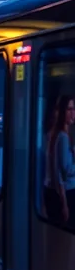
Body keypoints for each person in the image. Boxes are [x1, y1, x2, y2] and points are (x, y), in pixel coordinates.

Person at [44, 95, 75, 226]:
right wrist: (64, 204)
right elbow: (64, 172)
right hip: (67, 194)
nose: (73, 113)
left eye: (74, 109)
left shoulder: (59, 134)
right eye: (69, 109)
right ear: (62, 112)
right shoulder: (62, 137)